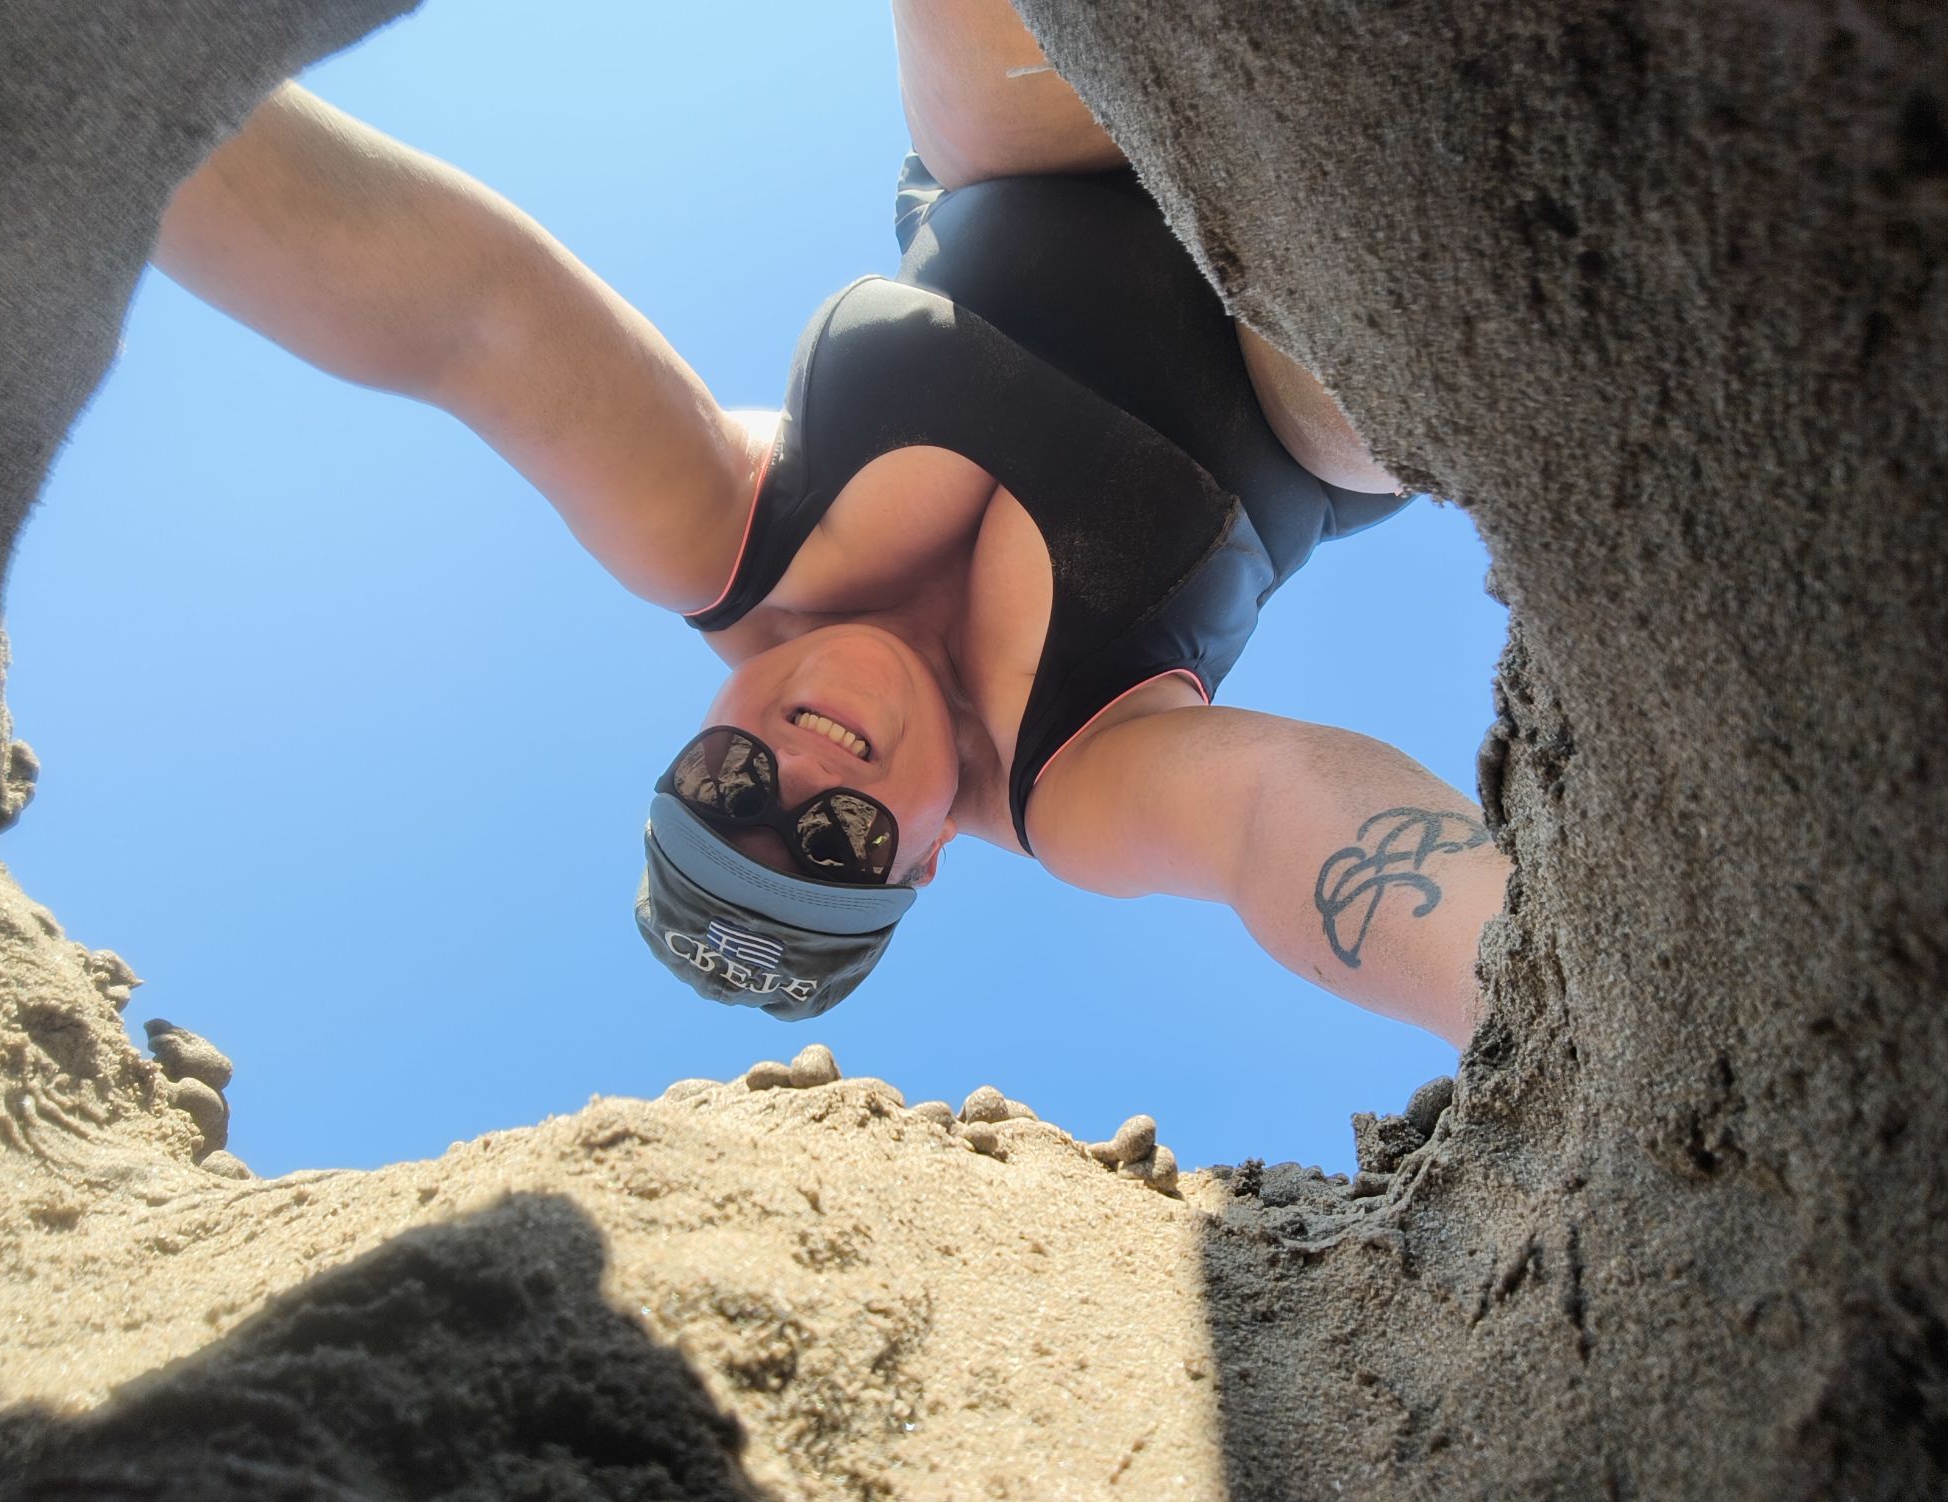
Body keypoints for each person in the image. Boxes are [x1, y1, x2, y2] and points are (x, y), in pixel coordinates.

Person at [153, 0, 1509, 1049]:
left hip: (1032, 161)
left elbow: (474, 321)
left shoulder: (722, 541)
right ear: (922, 863)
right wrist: (1512, 984)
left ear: (692, 750)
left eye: (728, 792)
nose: (798, 776)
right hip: (1302, 386)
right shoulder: (1077, 784)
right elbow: (1275, 821)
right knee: (1382, 353)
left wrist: (116, 125)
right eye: (837, 846)